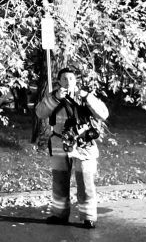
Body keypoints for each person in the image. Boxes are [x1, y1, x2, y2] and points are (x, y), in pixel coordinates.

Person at [35, 67, 109, 229]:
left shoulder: (85, 96)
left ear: (76, 81)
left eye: (71, 79)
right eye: (64, 79)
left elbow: (103, 114)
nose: (68, 82)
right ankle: (59, 215)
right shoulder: (53, 97)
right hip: (59, 144)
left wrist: (88, 98)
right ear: (59, 81)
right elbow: (40, 113)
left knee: (85, 181)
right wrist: (55, 98)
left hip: (83, 145)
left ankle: (89, 217)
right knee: (59, 181)